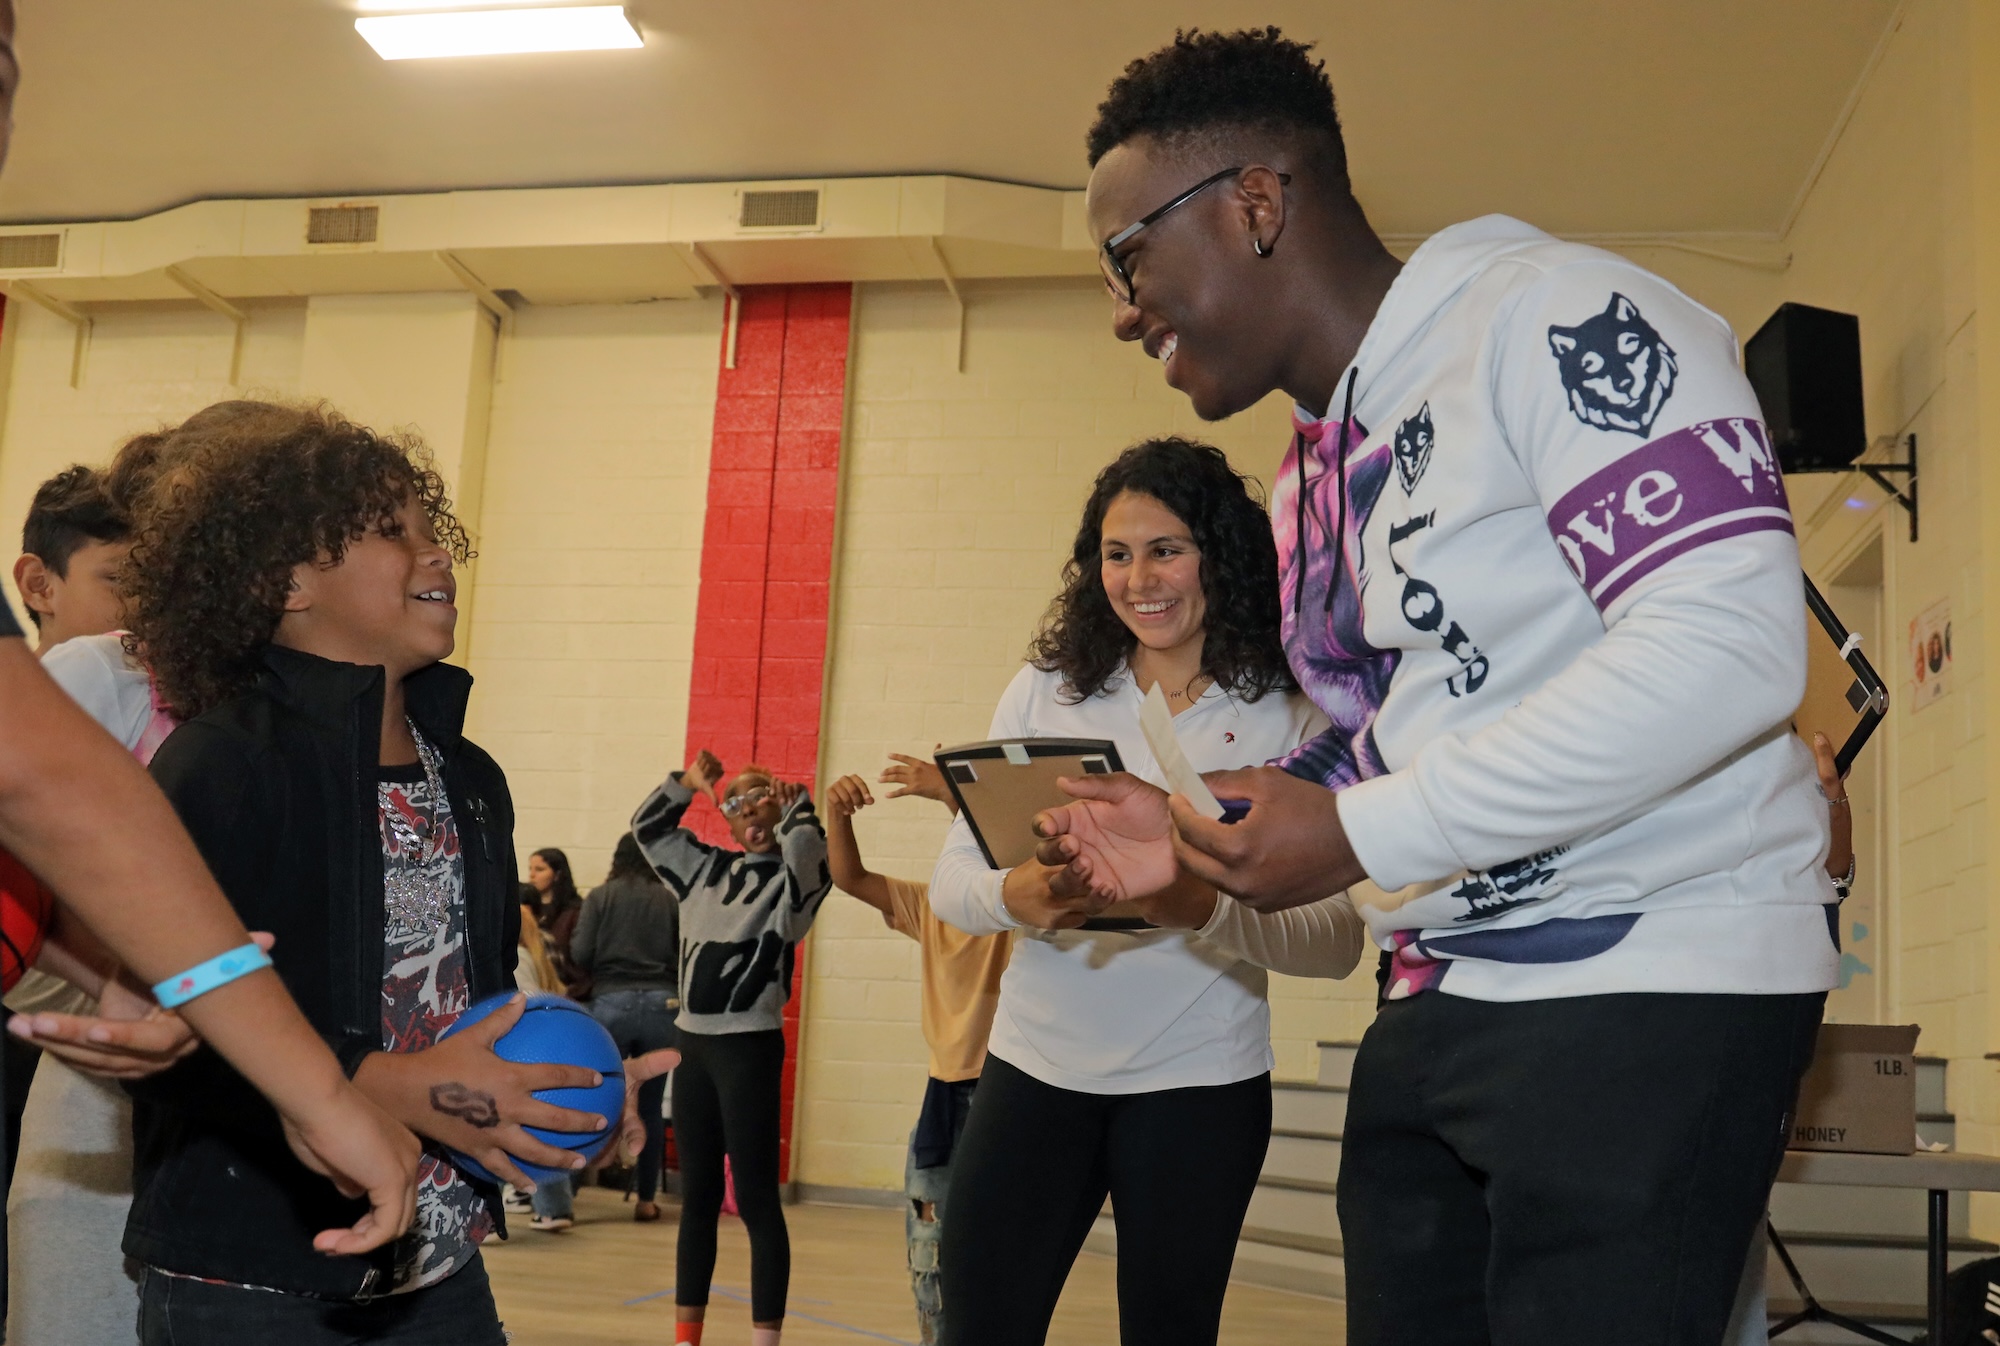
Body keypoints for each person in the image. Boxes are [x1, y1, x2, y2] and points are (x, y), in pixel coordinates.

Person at [1041, 30, 1836, 1346]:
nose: (1123, 308)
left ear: (1256, 201)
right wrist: (1197, 839)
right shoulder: (1310, 477)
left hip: (1659, 960)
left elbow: (1731, 640)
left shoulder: (1548, 312)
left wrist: (1355, 831)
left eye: (1127, 256)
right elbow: (1387, 746)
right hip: (1442, 984)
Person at [0, 5, 419, 1310]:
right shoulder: (98, 688)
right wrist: (306, 1079)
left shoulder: (346, 727)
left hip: (228, 1089)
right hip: (127, 1122)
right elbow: (56, 810)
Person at [119, 399, 611, 1342]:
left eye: (437, 534)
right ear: (287, 581)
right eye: (395, 534)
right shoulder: (224, 764)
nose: (437, 555)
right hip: (256, 1283)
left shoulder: (470, 781)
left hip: (439, 1269)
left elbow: (479, 1015)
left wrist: (566, 1096)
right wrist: (400, 1088)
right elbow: (166, 1038)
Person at [930, 437, 1365, 1346]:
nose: (1140, 579)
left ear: (1223, 554)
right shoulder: (1048, 690)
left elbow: (1335, 944)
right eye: (1117, 555)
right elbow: (952, 884)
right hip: (1033, 1071)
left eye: (1167, 548)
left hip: (1199, 1085)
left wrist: (1198, 902)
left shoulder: (1294, 713)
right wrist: (1024, 895)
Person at [631, 750, 832, 1346]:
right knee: (697, 1198)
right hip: (693, 1046)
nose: (749, 807)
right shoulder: (703, 869)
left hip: (749, 1045)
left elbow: (807, 870)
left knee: (755, 1199)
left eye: (761, 794)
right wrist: (686, 785)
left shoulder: (791, 882)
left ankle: (764, 1339)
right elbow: (647, 830)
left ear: (780, 798)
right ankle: (686, 1336)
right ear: (726, 819)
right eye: (736, 801)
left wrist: (800, 810)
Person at [822, 752, 1011, 1346]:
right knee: (929, 1248)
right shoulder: (930, 907)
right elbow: (850, 878)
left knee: (992, 1246)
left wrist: (948, 792)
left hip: (1004, 1091)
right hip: (944, 1092)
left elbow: (997, 846)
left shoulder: (1018, 909)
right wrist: (836, 814)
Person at [572, 832, 681, 1224]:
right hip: (661, 1004)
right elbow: (683, 954)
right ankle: (646, 1200)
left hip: (611, 1002)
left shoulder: (601, 897)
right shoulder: (669, 898)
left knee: (593, 1099)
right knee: (649, 1107)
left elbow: (580, 952)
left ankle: (567, 1197)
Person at [527, 847, 586, 995]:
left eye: (539, 870)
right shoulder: (529, 909)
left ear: (557, 874)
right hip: (536, 985)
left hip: (567, 989)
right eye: (530, 869)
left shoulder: (575, 912)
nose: (532, 875)